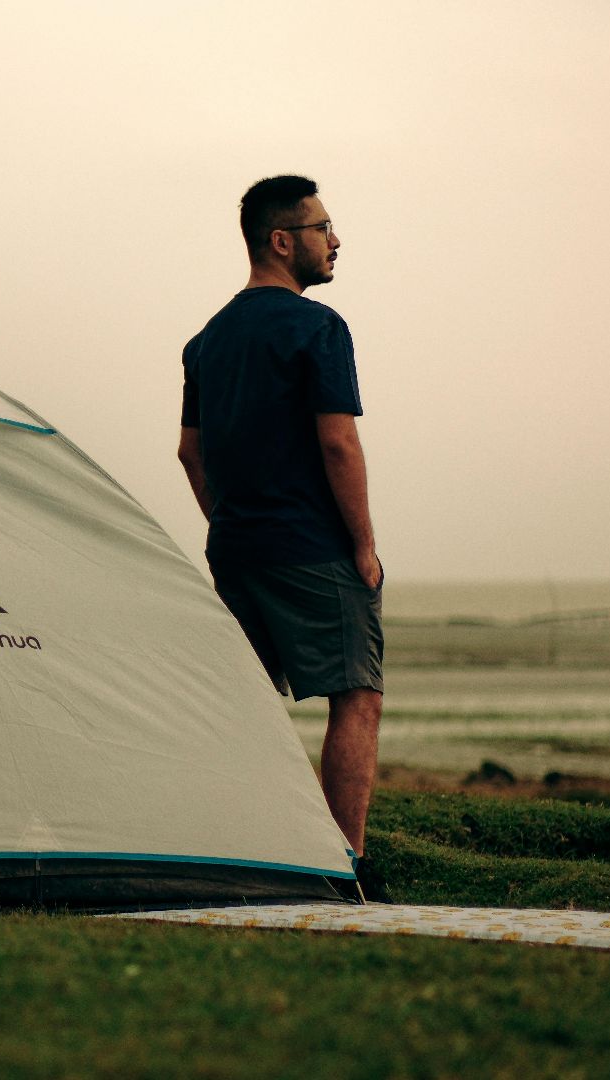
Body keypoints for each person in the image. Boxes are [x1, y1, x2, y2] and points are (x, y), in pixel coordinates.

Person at [177, 174, 388, 901]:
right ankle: (341, 868)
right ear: (281, 240)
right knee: (356, 694)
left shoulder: (205, 341)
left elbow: (190, 453)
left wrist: (228, 522)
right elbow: (339, 446)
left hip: (235, 551)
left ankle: (249, 851)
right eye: (323, 228)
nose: (335, 242)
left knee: (251, 707)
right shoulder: (317, 328)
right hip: (312, 548)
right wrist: (362, 546)